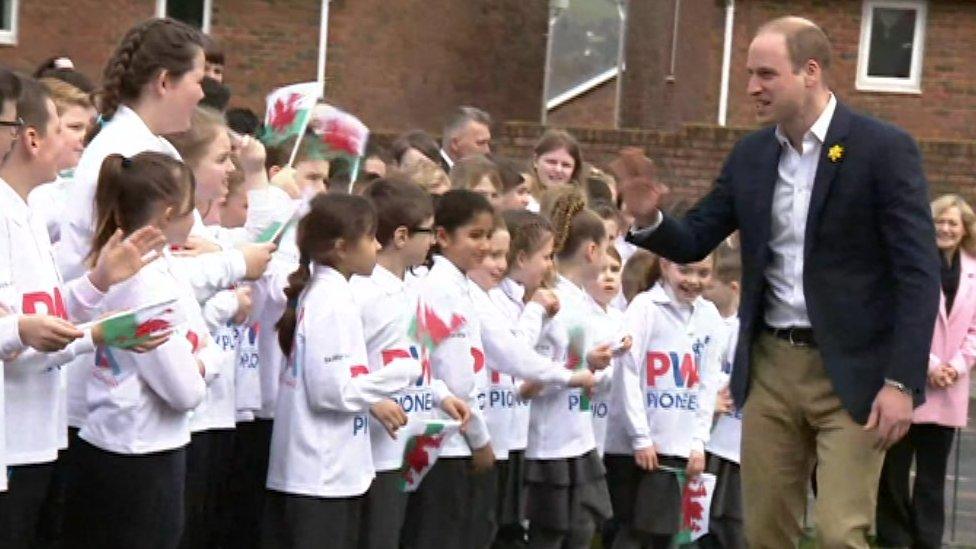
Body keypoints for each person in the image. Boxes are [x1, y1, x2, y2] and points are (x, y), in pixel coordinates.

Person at [616, 16, 940, 548]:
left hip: (854, 373)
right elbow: (697, 236)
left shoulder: (882, 149)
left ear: (810, 72)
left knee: (840, 534)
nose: (751, 88)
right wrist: (651, 220)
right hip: (769, 367)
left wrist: (902, 382)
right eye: (748, 74)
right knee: (765, 533)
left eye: (766, 74)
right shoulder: (752, 156)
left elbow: (918, 273)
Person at [0, 80, 166, 548]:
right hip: (10, 436)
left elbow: (45, 317)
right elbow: (20, 333)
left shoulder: (29, 212)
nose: (79, 141)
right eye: (65, 128)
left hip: (37, 433)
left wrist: (99, 282)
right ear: (32, 138)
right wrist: (31, 330)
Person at [64, 152, 216, 549]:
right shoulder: (149, 284)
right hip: (142, 454)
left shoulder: (140, 269)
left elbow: (202, 341)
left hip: (120, 443)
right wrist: (204, 362)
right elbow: (185, 391)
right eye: (190, 208)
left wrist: (200, 355)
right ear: (168, 214)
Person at [263, 194, 418, 549]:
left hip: (334, 470)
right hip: (319, 473)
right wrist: (400, 373)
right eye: (370, 237)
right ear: (340, 247)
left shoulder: (335, 294)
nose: (378, 246)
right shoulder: (328, 302)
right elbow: (331, 393)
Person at [351, 177, 470, 549]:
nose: (434, 241)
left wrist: (438, 393)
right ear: (401, 236)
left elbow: (416, 354)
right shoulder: (361, 292)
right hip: (373, 450)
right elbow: (341, 366)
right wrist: (372, 402)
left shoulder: (415, 289)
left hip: (411, 441)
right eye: (428, 231)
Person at [876, 194, 976, 549]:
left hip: (950, 387)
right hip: (910, 381)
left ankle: (927, 540)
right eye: (940, 221)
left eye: (953, 223)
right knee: (894, 471)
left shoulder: (973, 270)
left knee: (932, 476)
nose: (946, 229)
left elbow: (975, 330)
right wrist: (931, 364)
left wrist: (957, 366)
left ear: (964, 229)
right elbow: (899, 317)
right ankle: (895, 538)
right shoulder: (911, 263)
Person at [605, 253, 724, 549]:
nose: (693, 281)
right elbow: (627, 371)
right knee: (633, 532)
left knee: (663, 532)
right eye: (685, 270)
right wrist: (641, 436)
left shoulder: (709, 316)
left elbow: (706, 384)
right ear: (665, 265)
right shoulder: (645, 307)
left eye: (703, 273)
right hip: (639, 446)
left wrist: (698, 441)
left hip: (677, 445)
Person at [521, 190, 614, 549]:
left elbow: (584, 364)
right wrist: (580, 371)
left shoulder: (580, 301)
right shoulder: (552, 300)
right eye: (606, 247)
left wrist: (599, 366)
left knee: (581, 529)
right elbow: (532, 370)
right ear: (592, 250)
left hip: (578, 438)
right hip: (548, 443)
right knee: (550, 536)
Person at [700, 241, 746, 549]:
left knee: (737, 526)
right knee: (701, 523)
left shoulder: (745, 330)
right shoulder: (710, 326)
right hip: (712, 443)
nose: (703, 289)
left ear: (732, 287)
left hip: (741, 447)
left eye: (710, 284)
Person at [528, 129, 583, 205]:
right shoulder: (519, 204)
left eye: (566, 165)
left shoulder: (581, 208)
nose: (558, 169)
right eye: (551, 162)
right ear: (536, 161)